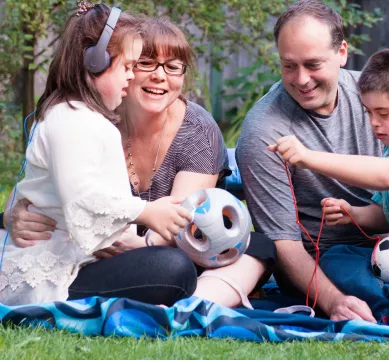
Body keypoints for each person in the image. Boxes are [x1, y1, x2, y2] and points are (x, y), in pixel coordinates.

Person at [2, 17, 276, 308]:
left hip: (167, 247)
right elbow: (45, 189)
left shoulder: (196, 130)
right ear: (101, 64)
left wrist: (140, 241)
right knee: (171, 270)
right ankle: (187, 303)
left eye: (172, 67)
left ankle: (194, 303)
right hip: (88, 255)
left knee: (251, 248)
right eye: (142, 64)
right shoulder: (87, 117)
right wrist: (12, 215)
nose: (160, 76)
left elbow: (185, 227)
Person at [236, 0, 389, 322]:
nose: (301, 78)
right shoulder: (264, 132)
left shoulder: (375, 96)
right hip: (332, 262)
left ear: (341, 53)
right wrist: (334, 301)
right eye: (288, 65)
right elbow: (285, 245)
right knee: (341, 265)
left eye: (313, 64)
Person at [0, 4, 193, 305]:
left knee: (175, 268)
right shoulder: (69, 119)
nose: (131, 77)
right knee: (173, 269)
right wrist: (145, 211)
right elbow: (82, 199)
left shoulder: (86, 118)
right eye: (127, 66)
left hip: (78, 260)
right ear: (94, 62)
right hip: (53, 271)